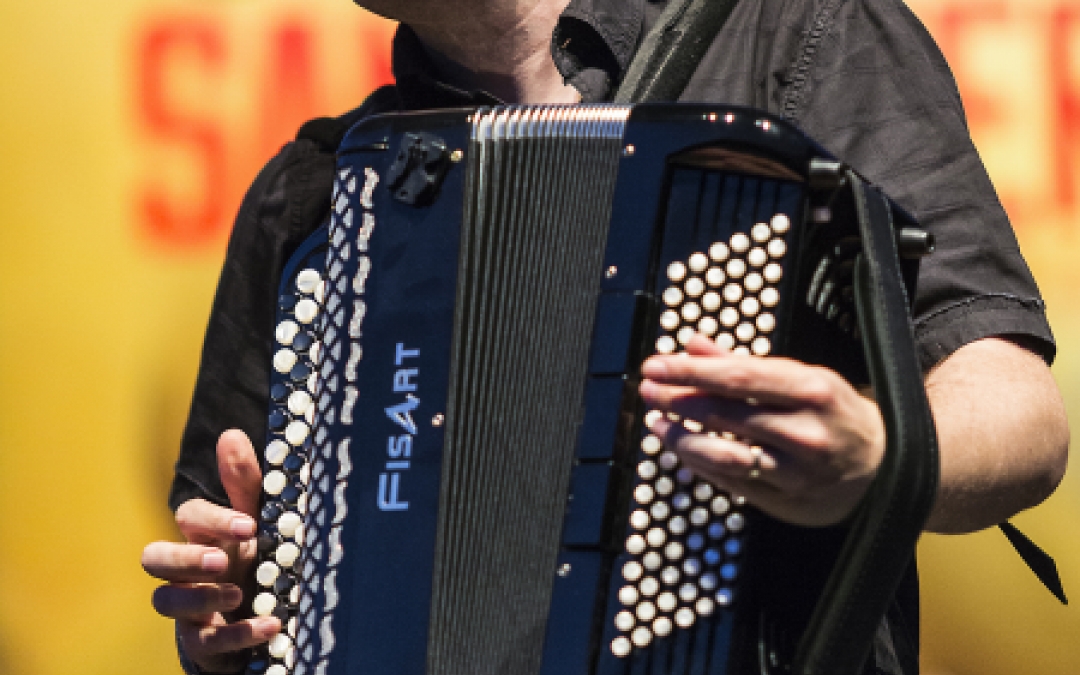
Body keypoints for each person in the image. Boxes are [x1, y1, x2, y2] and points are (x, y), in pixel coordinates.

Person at [141, 1, 1070, 674]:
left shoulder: (800, 31)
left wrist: (874, 450)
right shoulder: (315, 194)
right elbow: (225, 587)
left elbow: (1022, 411)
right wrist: (228, 613)